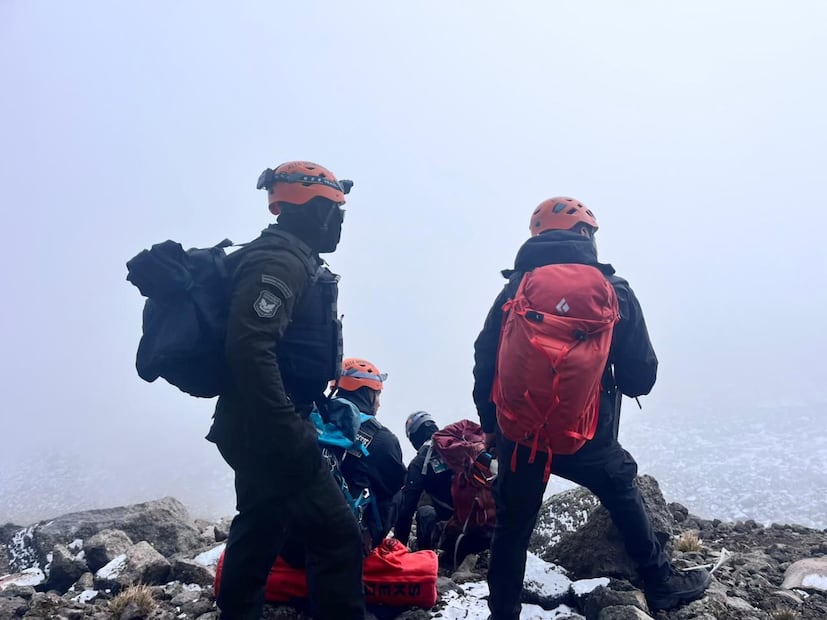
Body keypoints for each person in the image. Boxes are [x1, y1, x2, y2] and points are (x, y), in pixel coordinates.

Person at [472, 197, 711, 618]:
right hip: (587, 435)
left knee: (513, 526)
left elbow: (484, 357)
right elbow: (642, 377)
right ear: (585, 235)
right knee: (621, 490)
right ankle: (661, 583)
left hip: (521, 434)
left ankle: (503, 613)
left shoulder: (515, 288)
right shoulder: (614, 291)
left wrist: (492, 425)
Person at [205, 161, 365, 620]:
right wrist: (288, 430)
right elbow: (250, 348)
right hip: (269, 425)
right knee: (337, 536)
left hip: (250, 421)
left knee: (261, 526)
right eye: (335, 209)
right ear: (311, 208)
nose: (339, 221)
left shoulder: (291, 256)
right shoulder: (279, 261)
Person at [329, 357, 407, 549]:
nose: (379, 403)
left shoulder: (309, 420)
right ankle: (369, 543)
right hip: (342, 544)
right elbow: (395, 484)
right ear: (368, 394)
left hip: (293, 541)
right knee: (399, 491)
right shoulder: (381, 438)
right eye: (378, 395)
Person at [394, 411, 454, 552]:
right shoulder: (457, 445)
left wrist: (398, 546)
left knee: (424, 513)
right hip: (486, 518)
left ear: (414, 437)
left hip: (456, 528)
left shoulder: (420, 462)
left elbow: (406, 510)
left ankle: (425, 555)